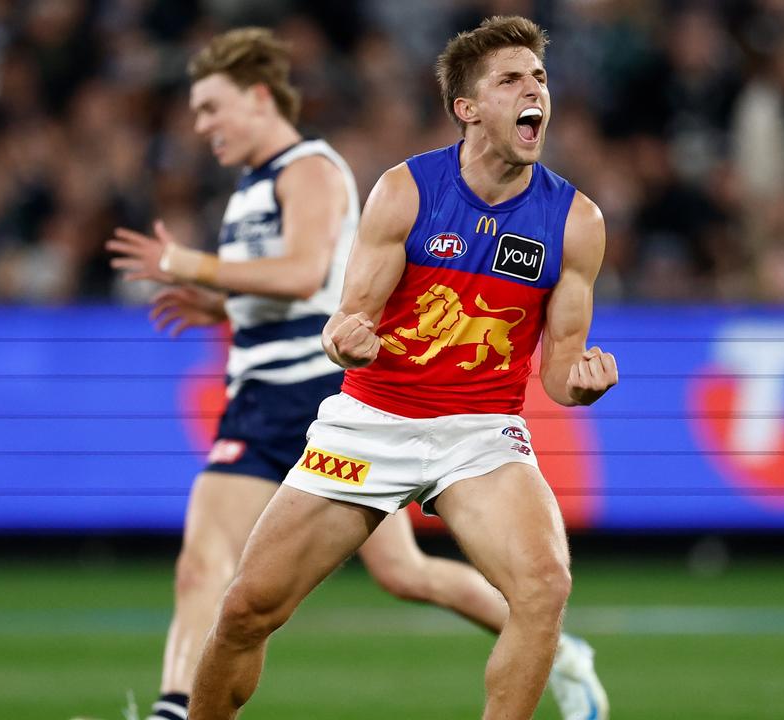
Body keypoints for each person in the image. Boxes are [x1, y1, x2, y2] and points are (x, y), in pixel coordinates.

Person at [101, 27, 608, 720]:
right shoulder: (405, 191)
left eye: (540, 79)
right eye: (512, 80)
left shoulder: (575, 221)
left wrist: (579, 386)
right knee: (248, 608)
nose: (535, 92)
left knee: (545, 585)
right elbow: (346, 321)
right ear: (467, 108)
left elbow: (555, 376)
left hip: (481, 431)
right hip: (373, 420)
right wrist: (347, 343)